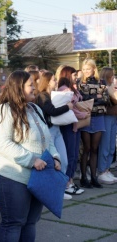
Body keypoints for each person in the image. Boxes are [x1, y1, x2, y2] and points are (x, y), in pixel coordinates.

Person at [0, 70, 61, 242]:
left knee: (30, 222)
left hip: (38, 178)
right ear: (18, 87)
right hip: (13, 178)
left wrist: (55, 156)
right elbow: (1, 143)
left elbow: (47, 138)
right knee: (14, 223)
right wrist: (32, 160)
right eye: (30, 85)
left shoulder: (35, 108)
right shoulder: (5, 111)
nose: (34, 88)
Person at [35, 71, 72, 199]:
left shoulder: (53, 95)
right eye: (53, 80)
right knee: (51, 162)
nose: (56, 82)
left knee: (63, 160)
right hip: (49, 131)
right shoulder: (42, 96)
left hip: (56, 130)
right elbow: (51, 111)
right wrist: (67, 107)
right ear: (47, 82)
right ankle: (54, 191)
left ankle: (60, 190)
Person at [77, 58, 109, 188]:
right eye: (84, 69)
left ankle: (94, 177)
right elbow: (81, 100)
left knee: (95, 149)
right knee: (86, 148)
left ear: (93, 69)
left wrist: (91, 99)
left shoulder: (102, 82)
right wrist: (97, 98)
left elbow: (106, 100)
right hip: (86, 117)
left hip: (99, 117)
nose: (85, 71)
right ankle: (84, 177)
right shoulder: (80, 83)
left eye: (88, 69)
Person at [58, 66, 87, 195]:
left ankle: (70, 180)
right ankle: (66, 182)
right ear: (67, 75)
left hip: (76, 125)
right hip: (69, 125)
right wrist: (82, 115)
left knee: (75, 154)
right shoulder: (63, 90)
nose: (76, 77)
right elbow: (70, 108)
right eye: (74, 75)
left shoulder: (73, 88)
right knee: (70, 154)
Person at [97, 67, 117, 184]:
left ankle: (107, 169)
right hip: (106, 117)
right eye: (112, 75)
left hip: (114, 117)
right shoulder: (104, 87)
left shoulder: (112, 87)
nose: (114, 77)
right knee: (105, 145)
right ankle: (102, 170)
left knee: (111, 146)